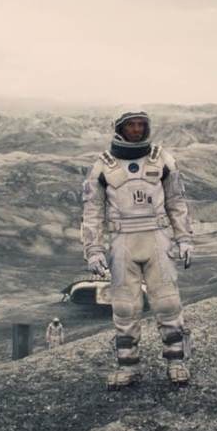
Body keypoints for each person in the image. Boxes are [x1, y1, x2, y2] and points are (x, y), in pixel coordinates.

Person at [80, 110, 194, 389]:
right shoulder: (102, 166)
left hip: (157, 238)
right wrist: (93, 249)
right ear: (120, 128)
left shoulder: (162, 159)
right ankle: (128, 366)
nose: (136, 130)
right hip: (122, 241)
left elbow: (177, 203)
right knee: (125, 307)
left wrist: (184, 238)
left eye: (141, 124)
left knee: (168, 302)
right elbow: (92, 212)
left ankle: (176, 361)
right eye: (130, 125)